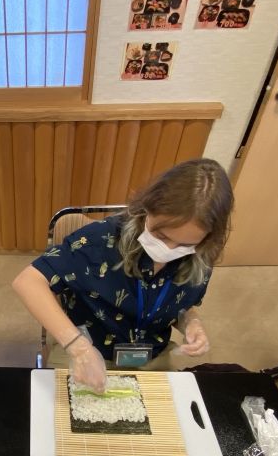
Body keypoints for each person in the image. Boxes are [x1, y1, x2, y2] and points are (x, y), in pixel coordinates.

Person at [12, 159, 234, 392]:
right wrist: (79, 348)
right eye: (161, 236)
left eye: (185, 244)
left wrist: (191, 322)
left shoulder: (201, 255)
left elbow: (178, 301)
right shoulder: (99, 241)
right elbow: (28, 282)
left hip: (152, 356)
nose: (169, 250)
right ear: (148, 209)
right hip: (87, 348)